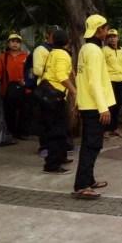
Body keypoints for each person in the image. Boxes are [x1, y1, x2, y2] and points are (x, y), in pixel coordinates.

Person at [73, 14, 116, 199]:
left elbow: (80, 78)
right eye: (105, 28)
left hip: (88, 104)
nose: (107, 32)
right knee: (92, 145)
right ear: (100, 30)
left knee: (90, 145)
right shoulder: (94, 51)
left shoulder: (85, 49)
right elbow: (94, 82)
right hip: (94, 106)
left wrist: (78, 102)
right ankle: (82, 185)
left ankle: (88, 180)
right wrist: (102, 107)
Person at [41, 30, 76, 174]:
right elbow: (61, 76)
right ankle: (52, 165)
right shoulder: (63, 54)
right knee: (57, 131)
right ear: (68, 41)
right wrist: (74, 90)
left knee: (59, 128)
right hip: (54, 97)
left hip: (48, 94)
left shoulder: (53, 52)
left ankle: (61, 157)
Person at [0, 33, 29, 140]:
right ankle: (11, 133)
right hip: (8, 89)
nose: (15, 44)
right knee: (9, 112)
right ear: (8, 43)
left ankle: (22, 133)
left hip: (23, 88)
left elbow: (30, 72)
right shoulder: (2, 57)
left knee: (25, 112)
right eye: (12, 41)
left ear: (20, 44)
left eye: (17, 42)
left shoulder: (26, 57)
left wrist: (26, 80)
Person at [102, 29, 122, 139]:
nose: (112, 38)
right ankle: (105, 130)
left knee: (118, 105)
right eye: (110, 37)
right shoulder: (104, 50)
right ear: (108, 39)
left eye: (114, 36)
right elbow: (102, 66)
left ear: (118, 38)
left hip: (121, 81)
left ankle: (115, 128)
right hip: (109, 81)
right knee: (109, 106)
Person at [32, 26, 55, 157]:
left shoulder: (57, 50)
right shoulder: (41, 50)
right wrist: (52, 71)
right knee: (44, 119)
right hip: (45, 88)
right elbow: (37, 70)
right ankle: (44, 146)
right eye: (54, 35)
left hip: (57, 89)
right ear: (48, 35)